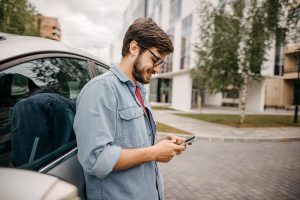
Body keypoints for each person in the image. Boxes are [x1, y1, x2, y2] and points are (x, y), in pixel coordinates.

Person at [73, 18, 186, 200]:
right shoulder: (101, 89)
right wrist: (154, 153)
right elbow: (96, 159)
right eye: (155, 59)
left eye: (161, 63)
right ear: (134, 48)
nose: (157, 69)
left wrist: (159, 144)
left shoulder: (139, 90)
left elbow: (132, 143)